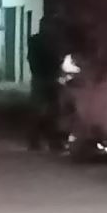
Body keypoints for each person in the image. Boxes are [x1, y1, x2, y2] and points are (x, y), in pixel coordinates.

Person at [27, 17, 62, 151]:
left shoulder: (41, 40)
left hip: (46, 78)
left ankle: (45, 141)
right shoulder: (41, 41)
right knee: (43, 111)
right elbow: (33, 60)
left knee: (49, 111)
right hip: (43, 78)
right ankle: (40, 141)